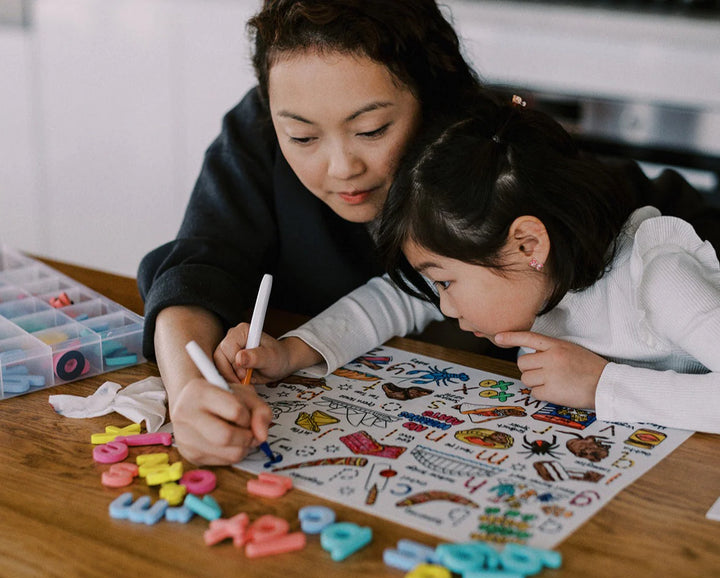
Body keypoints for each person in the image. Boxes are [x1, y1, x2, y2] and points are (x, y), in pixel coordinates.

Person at [139, 0, 720, 465]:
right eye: (303, 137)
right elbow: (199, 266)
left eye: (370, 128)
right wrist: (194, 388)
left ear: (434, 107)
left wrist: (610, 382)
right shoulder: (261, 131)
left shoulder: (496, 168)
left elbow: (659, 225)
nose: (340, 168)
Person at [221, 96, 720, 434]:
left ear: (528, 245)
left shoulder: (661, 280)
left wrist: (603, 386)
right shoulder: (536, 272)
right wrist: (291, 352)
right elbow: (393, 299)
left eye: (446, 281)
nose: (441, 301)